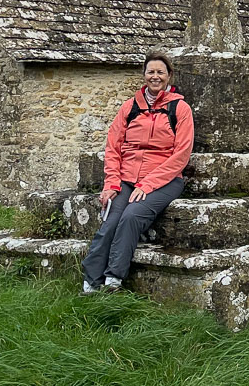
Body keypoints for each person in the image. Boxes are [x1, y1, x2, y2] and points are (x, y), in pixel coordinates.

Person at [80, 51, 193, 294]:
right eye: (150, 72)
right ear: (144, 75)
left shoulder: (180, 109)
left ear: (169, 76)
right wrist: (111, 183)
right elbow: (113, 147)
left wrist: (148, 184)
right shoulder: (130, 107)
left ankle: (113, 280)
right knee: (111, 221)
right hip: (127, 179)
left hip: (164, 180)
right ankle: (91, 282)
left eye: (160, 72)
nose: (155, 76)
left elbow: (181, 155)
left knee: (132, 217)